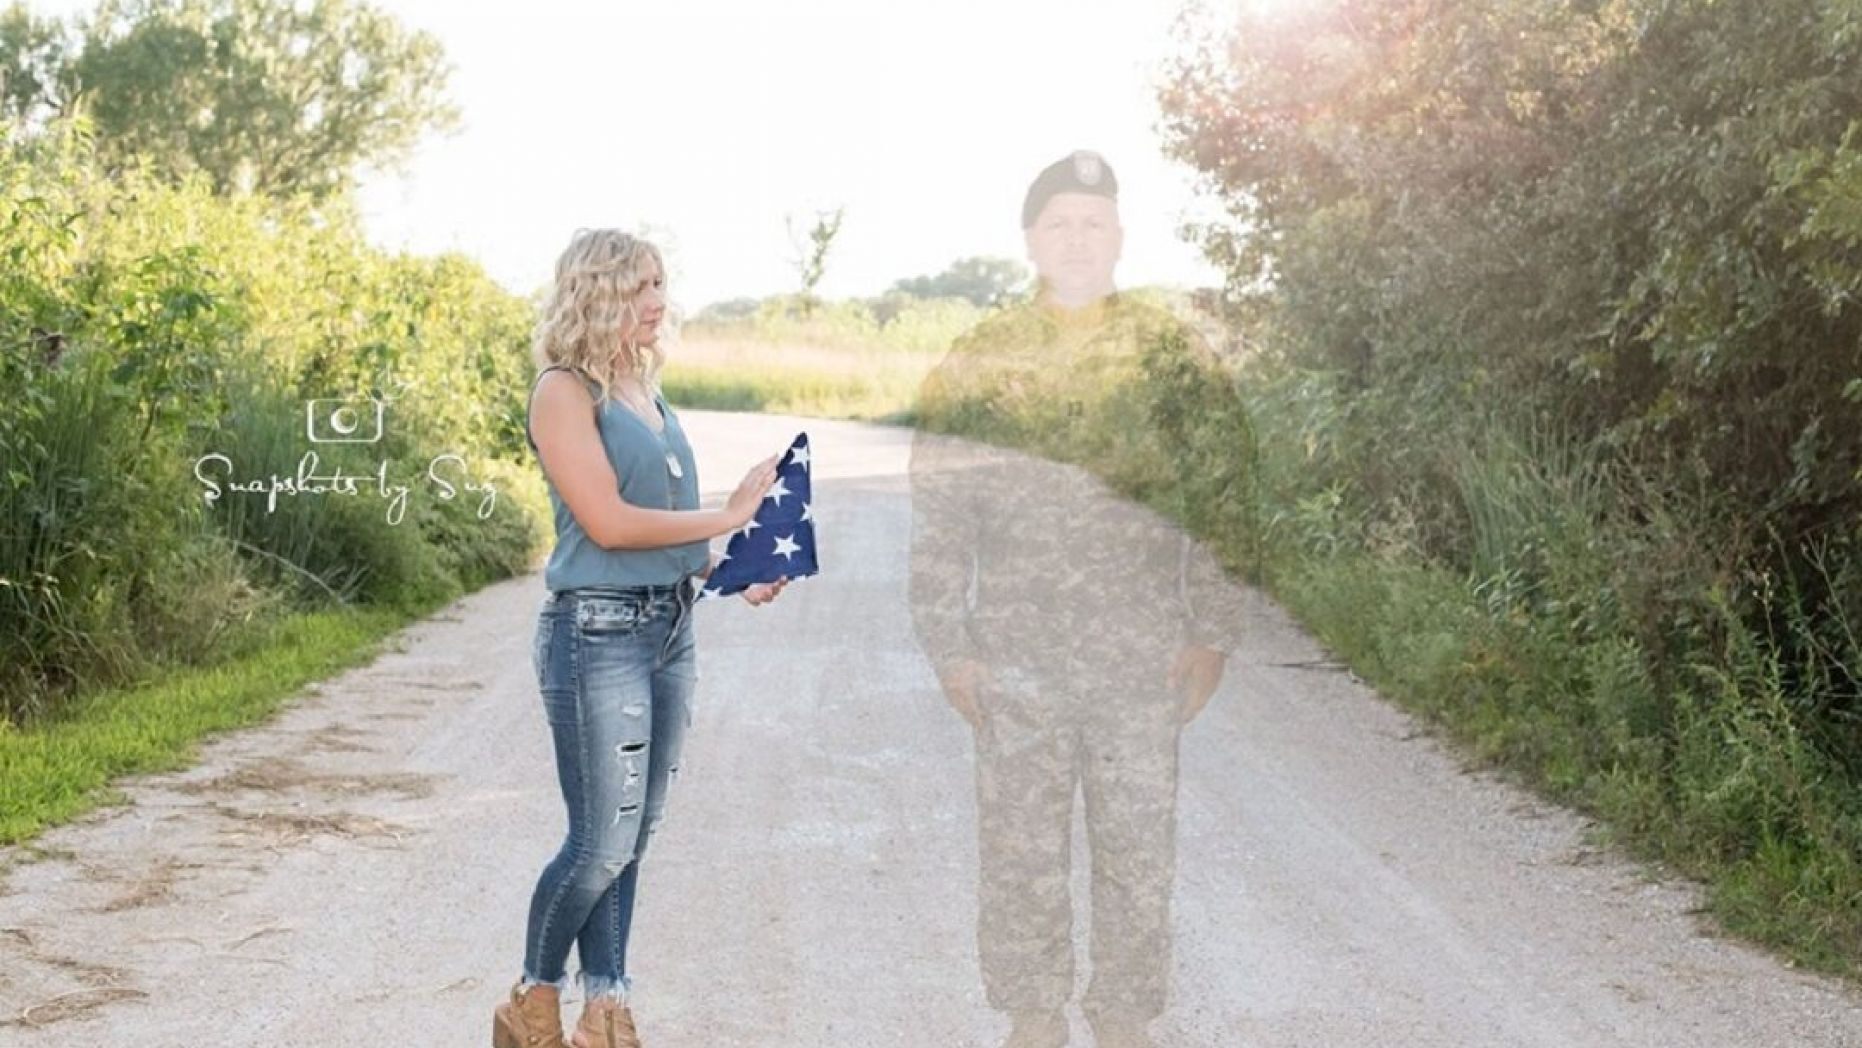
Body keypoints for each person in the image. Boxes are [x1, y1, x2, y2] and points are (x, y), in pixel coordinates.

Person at [908, 152, 1254, 1048]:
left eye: (1092, 223)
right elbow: (940, 511)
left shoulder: (1172, 359)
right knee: (1021, 857)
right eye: (1059, 223)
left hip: (1141, 655)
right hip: (1015, 655)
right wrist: (950, 645)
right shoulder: (982, 359)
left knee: (1139, 854)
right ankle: (1032, 1018)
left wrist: (1212, 632)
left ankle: (1126, 1020)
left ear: (1119, 238)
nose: (1076, 239)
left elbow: (1225, 497)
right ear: (1031, 241)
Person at [493, 228, 790, 1048]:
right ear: (597, 293)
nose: (659, 300)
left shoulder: (646, 392)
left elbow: (666, 538)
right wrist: (730, 512)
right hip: (595, 634)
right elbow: (610, 524)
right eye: (640, 286)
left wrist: (733, 565)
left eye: (661, 282)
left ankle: (606, 1010)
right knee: (598, 842)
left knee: (633, 839)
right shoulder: (564, 391)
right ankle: (533, 996)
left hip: (668, 628)